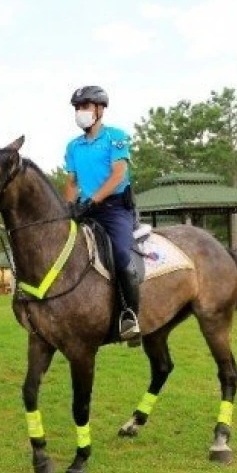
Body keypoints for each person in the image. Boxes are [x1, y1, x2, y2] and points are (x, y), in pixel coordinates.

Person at [62, 85, 141, 344]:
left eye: (84, 107)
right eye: (77, 108)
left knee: (119, 255)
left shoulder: (116, 137)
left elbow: (118, 175)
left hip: (115, 208)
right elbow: (72, 183)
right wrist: (67, 210)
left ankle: (130, 316)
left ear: (99, 109)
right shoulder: (73, 146)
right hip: (86, 209)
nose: (80, 113)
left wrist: (93, 201)